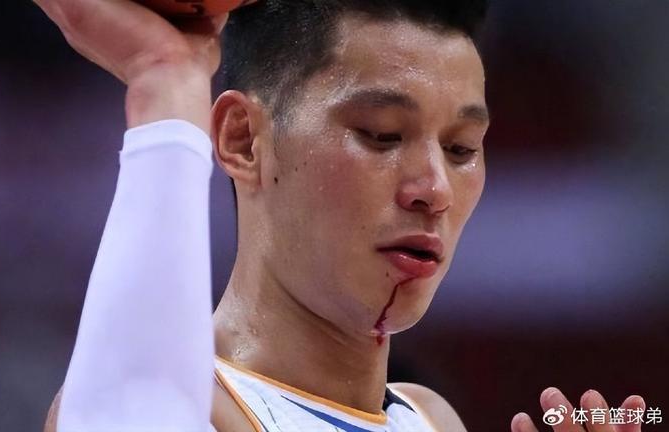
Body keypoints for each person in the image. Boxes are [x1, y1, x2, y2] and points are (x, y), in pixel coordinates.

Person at [34, 0, 647, 431]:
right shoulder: (183, 407)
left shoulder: (430, 419)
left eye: (462, 149)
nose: (434, 189)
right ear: (243, 140)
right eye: (382, 135)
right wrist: (165, 78)